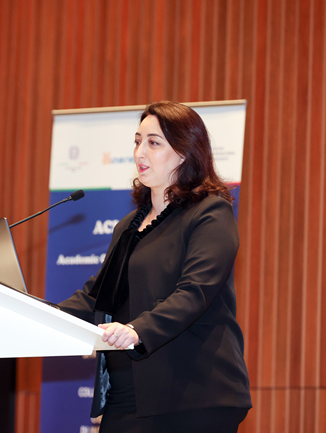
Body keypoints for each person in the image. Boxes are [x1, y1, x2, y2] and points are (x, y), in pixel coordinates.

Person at [58, 101, 251, 432]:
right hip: (127, 394)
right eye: (137, 141)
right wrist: (36, 312)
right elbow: (96, 296)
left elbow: (195, 292)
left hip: (193, 393)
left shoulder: (210, 213)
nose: (139, 153)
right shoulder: (128, 226)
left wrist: (137, 329)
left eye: (153, 142)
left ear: (184, 152)